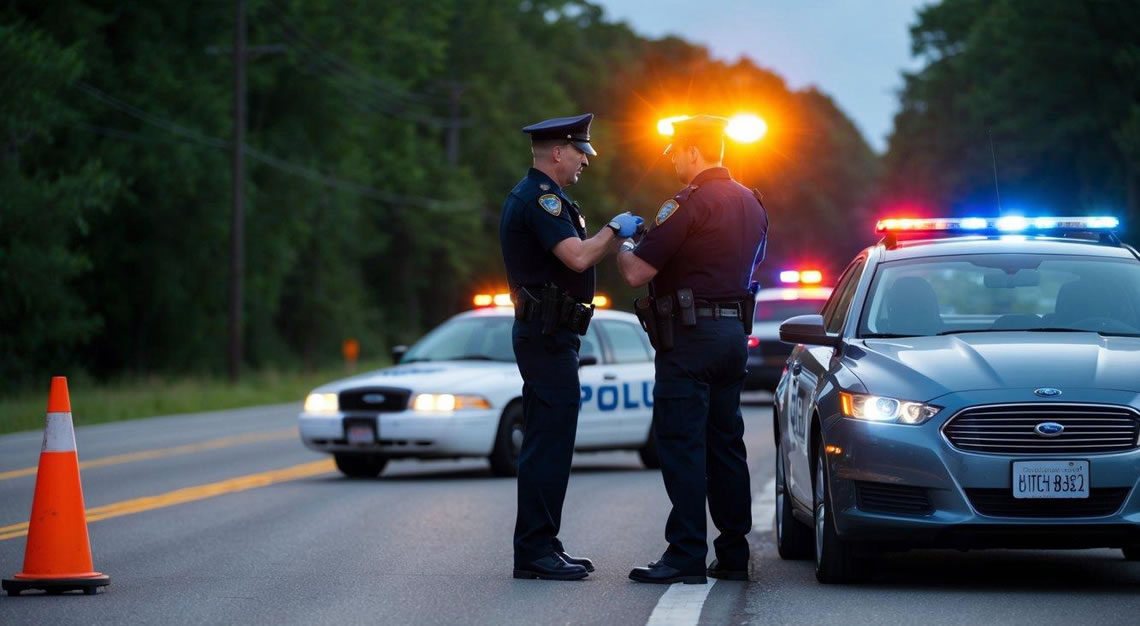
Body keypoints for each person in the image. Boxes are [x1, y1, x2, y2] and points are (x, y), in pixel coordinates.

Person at [616, 115, 768, 584]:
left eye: (675, 152)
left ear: (693, 151)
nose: (673, 161)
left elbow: (636, 273)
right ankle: (734, 552)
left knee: (682, 444)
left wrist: (625, 242)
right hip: (733, 336)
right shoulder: (752, 202)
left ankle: (685, 554)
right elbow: (750, 262)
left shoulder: (685, 203)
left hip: (689, 337)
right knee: (726, 444)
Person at [500, 113, 643, 581]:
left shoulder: (552, 199)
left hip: (554, 335)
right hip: (545, 336)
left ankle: (544, 543)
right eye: (580, 152)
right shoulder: (540, 200)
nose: (585, 161)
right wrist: (614, 230)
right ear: (558, 152)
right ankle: (533, 551)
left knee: (553, 441)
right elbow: (577, 256)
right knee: (547, 443)